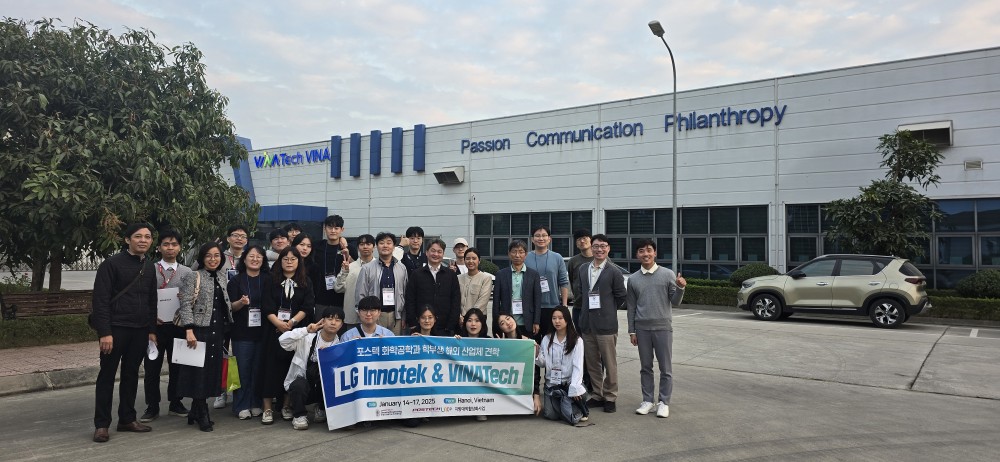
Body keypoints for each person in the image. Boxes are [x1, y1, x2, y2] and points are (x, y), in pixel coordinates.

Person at [91, 223, 158, 443]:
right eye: (138, 236)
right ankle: (102, 424)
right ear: (127, 240)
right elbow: (100, 301)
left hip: (140, 330)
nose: (143, 240)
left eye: (147, 237)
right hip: (115, 329)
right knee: (107, 376)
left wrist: (151, 330)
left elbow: (152, 301)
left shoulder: (149, 266)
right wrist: (105, 332)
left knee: (131, 375)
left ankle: (127, 419)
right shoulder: (111, 264)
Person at [175, 242, 234, 432]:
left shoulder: (222, 276)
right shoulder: (194, 275)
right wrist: (189, 329)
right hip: (199, 330)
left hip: (218, 331)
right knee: (198, 372)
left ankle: (194, 411)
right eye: (208, 255)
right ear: (202, 258)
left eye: (216, 255)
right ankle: (202, 413)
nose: (213, 259)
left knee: (211, 372)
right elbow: (185, 304)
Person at [626, 238, 686, 419]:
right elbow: (631, 307)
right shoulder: (633, 279)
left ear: (655, 253)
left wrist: (680, 288)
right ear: (637, 254)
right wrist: (632, 331)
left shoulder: (667, 274)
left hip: (662, 328)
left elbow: (675, 302)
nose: (646, 254)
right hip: (642, 329)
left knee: (665, 368)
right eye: (641, 251)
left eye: (649, 250)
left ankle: (664, 402)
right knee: (645, 367)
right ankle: (647, 400)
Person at [140, 228, 192, 423]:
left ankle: (175, 402)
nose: (170, 248)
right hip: (154, 328)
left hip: (178, 326)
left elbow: (192, 299)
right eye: (166, 244)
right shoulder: (149, 269)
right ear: (159, 247)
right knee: (152, 367)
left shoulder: (187, 272)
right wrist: (150, 319)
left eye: (174, 244)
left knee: (178, 366)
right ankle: (152, 406)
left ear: (179, 248)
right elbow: (142, 297)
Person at [259, 247, 313, 425]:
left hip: (296, 332)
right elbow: (266, 306)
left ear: (299, 261)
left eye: (293, 259)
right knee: (270, 368)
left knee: (291, 367)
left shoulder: (305, 281)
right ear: (279, 261)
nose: (289, 262)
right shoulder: (270, 280)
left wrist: (291, 324)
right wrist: (279, 324)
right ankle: (267, 408)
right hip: (272, 331)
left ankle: (287, 405)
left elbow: (307, 306)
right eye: (285, 259)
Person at [577, 234, 626, 413]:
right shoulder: (583, 269)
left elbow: (621, 296)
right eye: (596, 246)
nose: (599, 249)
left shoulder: (614, 271)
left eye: (603, 246)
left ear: (608, 248)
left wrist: (607, 309)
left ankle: (610, 396)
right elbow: (581, 292)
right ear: (592, 248)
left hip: (606, 325)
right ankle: (597, 394)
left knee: (609, 363)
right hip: (587, 324)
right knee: (592, 363)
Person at [278, 306, 344, 430]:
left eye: (337, 320)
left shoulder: (340, 345)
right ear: (322, 321)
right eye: (330, 319)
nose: (333, 323)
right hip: (304, 383)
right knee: (298, 384)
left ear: (341, 325)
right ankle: (299, 416)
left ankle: (321, 407)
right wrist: (306, 330)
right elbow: (283, 341)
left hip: (321, 386)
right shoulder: (307, 338)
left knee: (333, 378)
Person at [226, 245, 270, 420]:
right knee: (242, 369)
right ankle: (241, 405)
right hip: (242, 332)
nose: (255, 259)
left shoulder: (268, 280)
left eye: (259, 256)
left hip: (263, 331)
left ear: (263, 260)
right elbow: (230, 307)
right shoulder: (236, 281)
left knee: (258, 369)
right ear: (244, 259)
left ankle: (255, 402)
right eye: (251, 256)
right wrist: (241, 303)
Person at [536, 306, 588, 425]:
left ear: (567, 319)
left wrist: (574, 388)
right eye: (554, 318)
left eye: (560, 318)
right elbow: (542, 364)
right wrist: (536, 354)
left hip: (568, 383)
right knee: (550, 415)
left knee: (581, 394)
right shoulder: (546, 339)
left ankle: (574, 406)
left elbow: (578, 366)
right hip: (552, 385)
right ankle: (569, 408)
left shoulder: (577, 340)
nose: (557, 321)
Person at [405, 238, 461, 335]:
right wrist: (413, 323)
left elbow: (456, 300)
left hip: (445, 328)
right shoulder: (417, 274)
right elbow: (410, 299)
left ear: (443, 254)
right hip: (421, 328)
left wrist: (451, 325)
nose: (436, 254)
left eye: (439, 252)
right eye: (433, 251)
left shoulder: (450, 275)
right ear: (427, 253)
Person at [355, 232, 408, 335]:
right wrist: (363, 315)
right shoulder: (367, 268)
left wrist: (404, 316)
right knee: (375, 343)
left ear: (394, 247)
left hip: (396, 315)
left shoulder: (402, 268)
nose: (385, 246)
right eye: (381, 243)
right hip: (374, 315)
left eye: (389, 243)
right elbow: (360, 294)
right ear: (377, 246)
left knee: (393, 343)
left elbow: (405, 293)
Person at [524, 225, 570, 340]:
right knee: (533, 341)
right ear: (532, 239)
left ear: (549, 239)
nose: (541, 238)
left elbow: (563, 281)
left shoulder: (557, 257)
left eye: (544, 235)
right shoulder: (526, 257)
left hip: (552, 306)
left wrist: (564, 305)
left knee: (550, 341)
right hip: (531, 307)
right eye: (537, 236)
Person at [495, 313, 543, 417]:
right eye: (502, 323)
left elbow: (534, 372)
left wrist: (536, 396)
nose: (507, 323)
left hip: (523, 388)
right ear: (500, 329)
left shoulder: (528, 343)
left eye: (508, 318)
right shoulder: (498, 344)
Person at [491, 240, 542, 338]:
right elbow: (496, 301)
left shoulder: (533, 275)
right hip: (508, 322)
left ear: (526, 254)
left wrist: (536, 321)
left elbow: (537, 300)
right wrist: (496, 324)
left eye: (521, 252)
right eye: (514, 252)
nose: (517, 255)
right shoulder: (501, 274)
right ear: (509, 254)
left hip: (528, 321)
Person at [313, 215, 356, 326]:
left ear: (342, 230)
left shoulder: (349, 248)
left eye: (336, 228)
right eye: (330, 227)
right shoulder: (317, 246)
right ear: (324, 229)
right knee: (320, 328)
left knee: (339, 330)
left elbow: (357, 269)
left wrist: (348, 255)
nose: (333, 231)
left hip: (342, 299)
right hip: (320, 299)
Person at [334, 233, 375, 334]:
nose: (365, 247)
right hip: (353, 316)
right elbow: (338, 288)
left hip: (375, 316)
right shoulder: (350, 267)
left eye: (368, 244)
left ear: (374, 247)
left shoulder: (379, 267)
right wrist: (344, 271)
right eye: (362, 244)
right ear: (357, 248)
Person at [457, 247, 492, 325]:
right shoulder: (458, 278)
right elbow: (454, 299)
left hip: (478, 319)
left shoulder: (486, 278)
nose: (470, 261)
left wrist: (469, 318)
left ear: (479, 261)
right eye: (468, 259)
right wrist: (459, 316)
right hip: (459, 320)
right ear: (464, 260)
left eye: (474, 258)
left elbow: (482, 301)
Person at [566, 228, 594, 328]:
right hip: (579, 306)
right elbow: (572, 281)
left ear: (591, 240)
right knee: (580, 334)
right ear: (576, 244)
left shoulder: (602, 259)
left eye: (584, 238)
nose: (582, 241)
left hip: (597, 307)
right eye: (578, 239)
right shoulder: (573, 261)